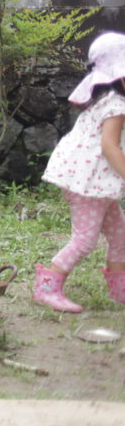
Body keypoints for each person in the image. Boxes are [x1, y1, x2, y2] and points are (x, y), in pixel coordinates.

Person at [36, 31, 125, 312]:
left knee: (120, 234)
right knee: (84, 240)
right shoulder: (116, 105)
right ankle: (47, 287)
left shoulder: (105, 100)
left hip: (95, 182)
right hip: (87, 183)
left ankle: (120, 288)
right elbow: (110, 147)